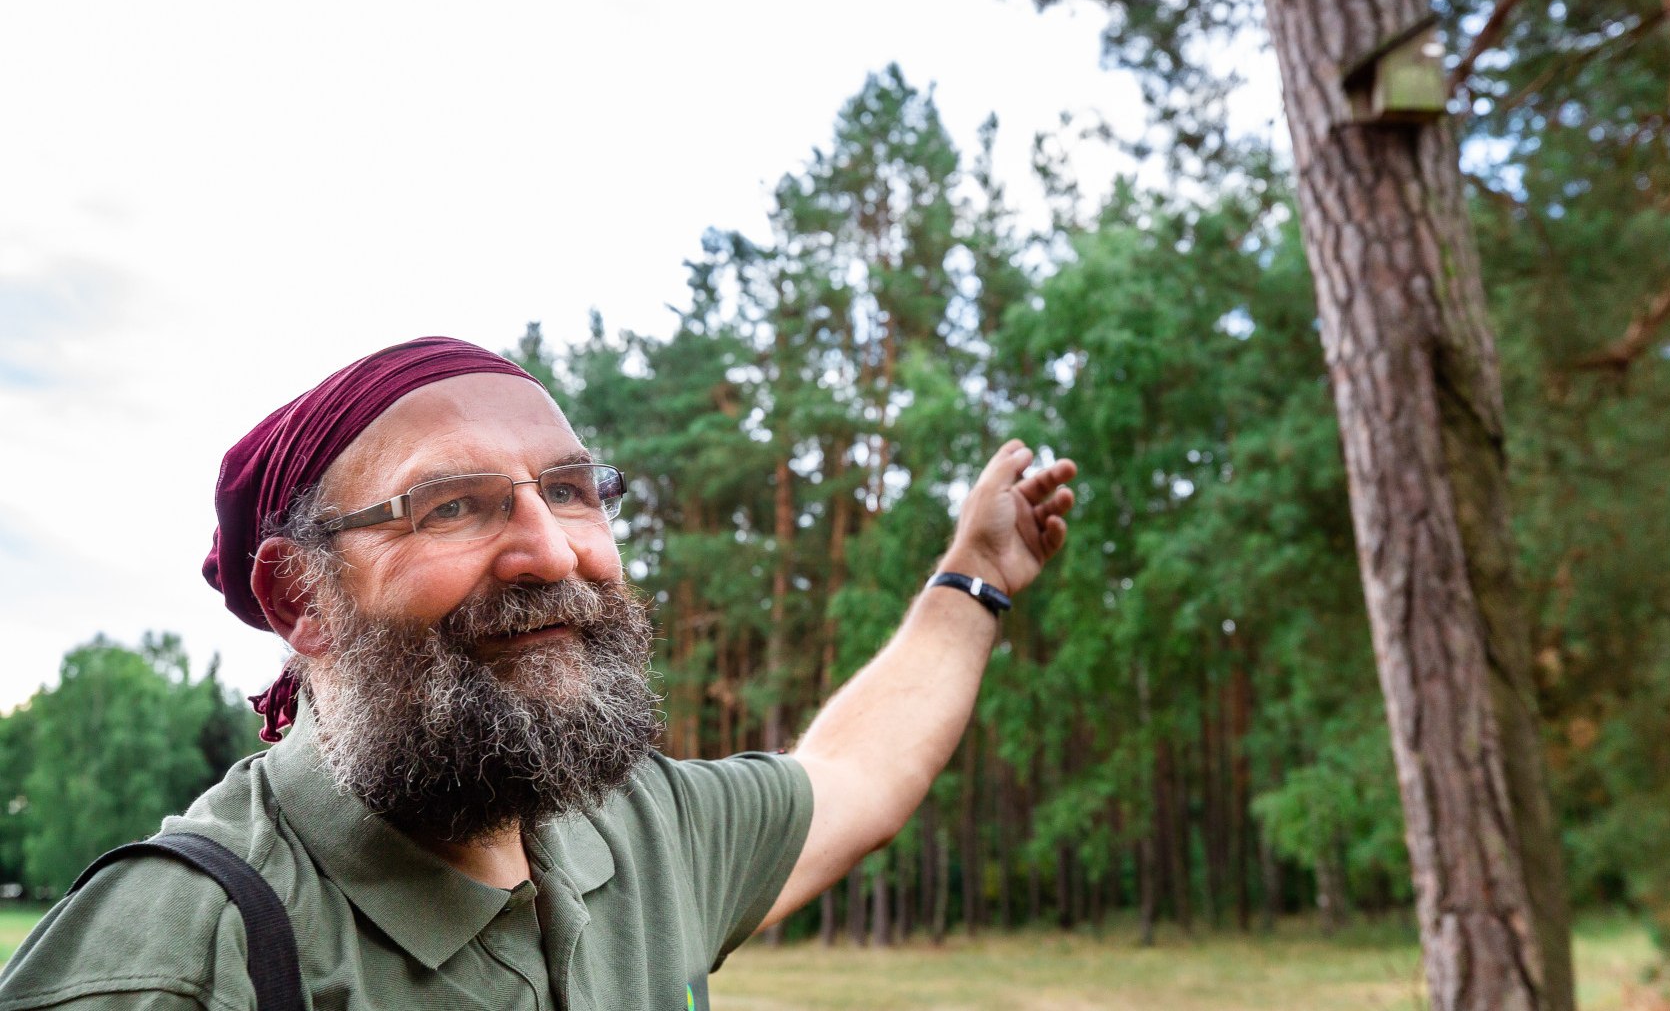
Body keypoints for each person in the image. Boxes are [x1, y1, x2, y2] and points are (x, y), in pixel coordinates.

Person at [0, 336, 1077, 1009]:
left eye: (570, 490)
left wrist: (974, 577)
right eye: (451, 507)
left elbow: (855, 776)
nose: (553, 553)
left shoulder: (637, 832)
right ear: (299, 599)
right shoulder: (181, 954)